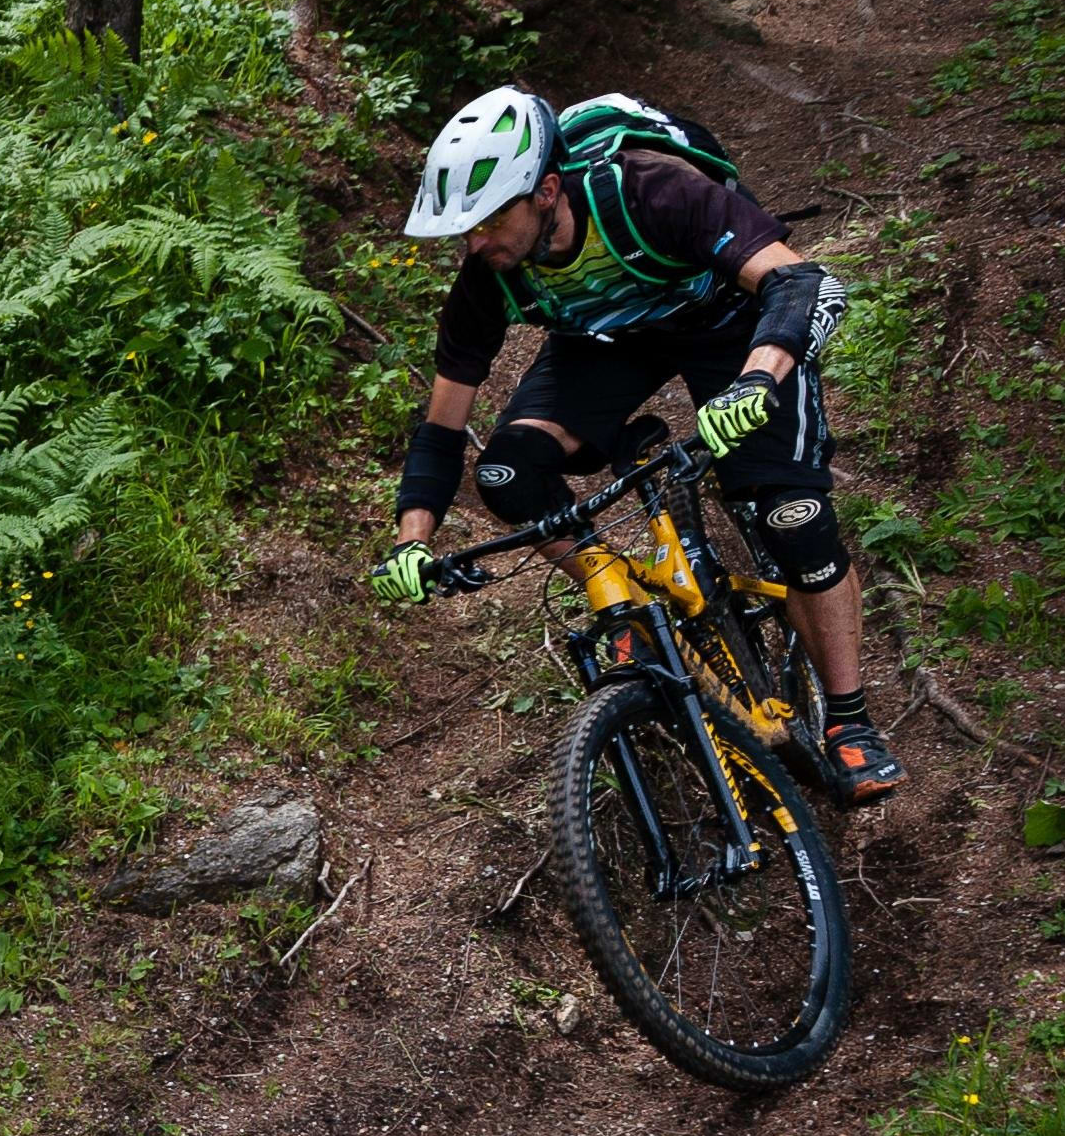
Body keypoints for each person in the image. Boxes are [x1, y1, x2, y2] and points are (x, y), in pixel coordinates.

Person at [369, 86, 908, 805]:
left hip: (727, 320)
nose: (477, 244)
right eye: (464, 229)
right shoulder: (489, 275)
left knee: (794, 517)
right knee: (506, 473)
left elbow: (801, 283)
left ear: (548, 191)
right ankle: (617, 596)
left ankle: (849, 721)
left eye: (492, 219)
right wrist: (411, 539)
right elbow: (441, 428)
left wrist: (754, 383)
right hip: (607, 344)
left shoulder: (650, 193)